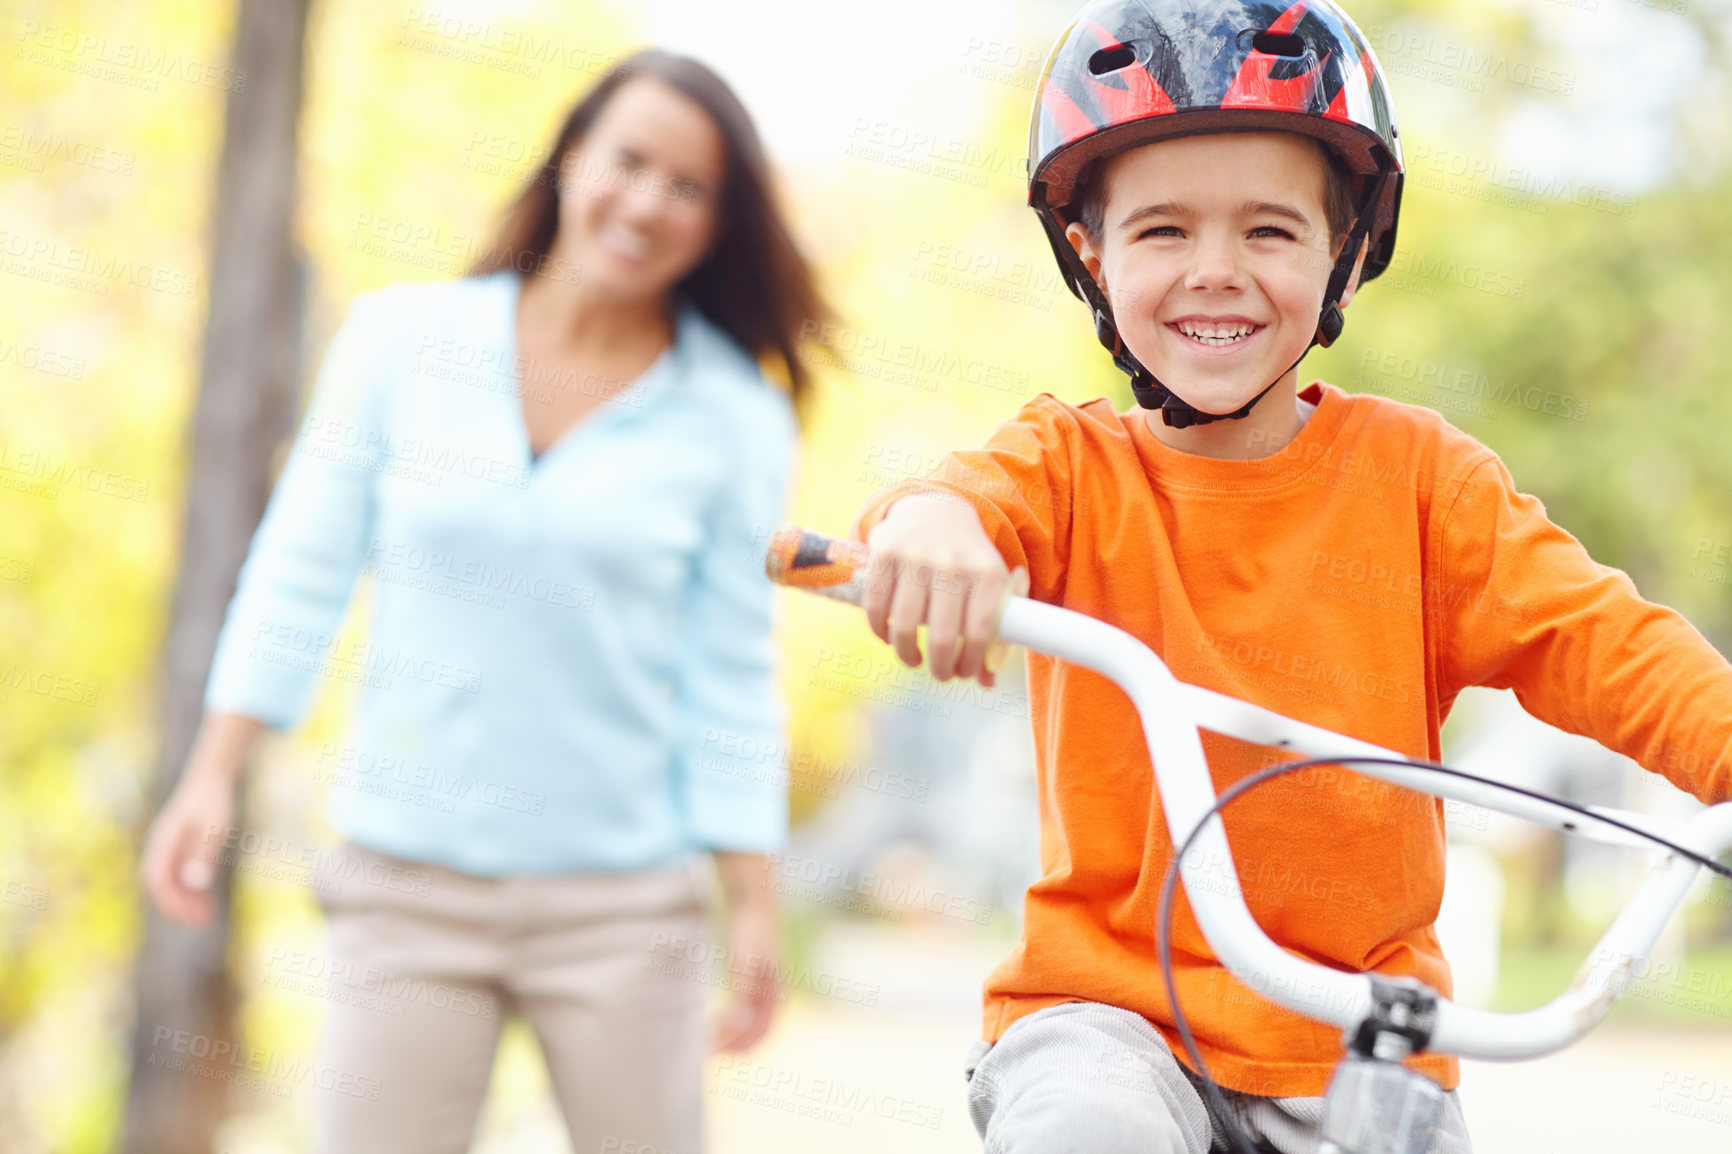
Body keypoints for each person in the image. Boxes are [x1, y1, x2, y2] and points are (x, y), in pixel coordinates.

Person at [848, 2, 1732, 1152]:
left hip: (1359, 1034)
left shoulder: (1423, 485)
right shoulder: (1068, 468)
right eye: (1161, 230)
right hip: (1106, 1014)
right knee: (1086, 1130)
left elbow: (1604, 639)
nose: (1215, 272)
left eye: (1269, 231)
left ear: (1347, 254)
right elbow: (949, 501)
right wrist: (932, 525)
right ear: (1090, 256)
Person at [140, 49, 825, 1154]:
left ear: (716, 223)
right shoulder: (400, 340)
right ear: (570, 160)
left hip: (622, 904)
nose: (646, 202)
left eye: (688, 187)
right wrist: (213, 774)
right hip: (405, 884)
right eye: (630, 161)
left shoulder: (733, 414)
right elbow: (301, 565)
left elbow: (731, 667)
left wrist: (750, 899)